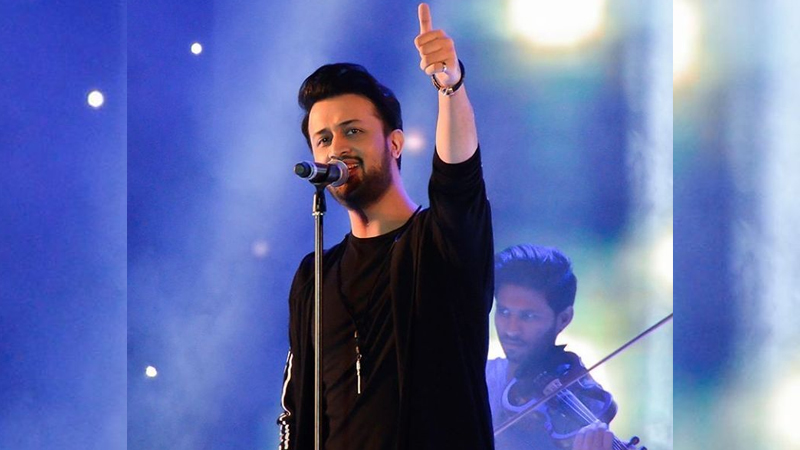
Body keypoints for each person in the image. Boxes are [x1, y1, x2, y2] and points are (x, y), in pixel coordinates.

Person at [277, 4, 494, 450]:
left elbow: (459, 180)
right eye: (323, 139)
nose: (337, 148)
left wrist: (449, 85)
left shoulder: (439, 242)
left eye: (353, 131)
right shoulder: (314, 275)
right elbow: (297, 409)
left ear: (394, 143)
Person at [487, 244, 634, 450]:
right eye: (504, 312)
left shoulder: (583, 402)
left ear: (564, 318)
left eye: (528, 316)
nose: (511, 329)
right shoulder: (478, 377)